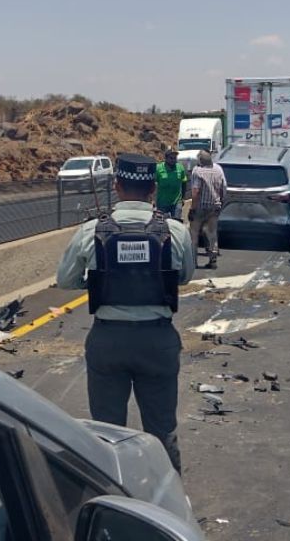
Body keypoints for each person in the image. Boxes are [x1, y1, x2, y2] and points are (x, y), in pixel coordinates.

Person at [56, 153, 195, 473]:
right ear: (154, 189)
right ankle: (169, 502)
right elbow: (185, 277)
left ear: (117, 187)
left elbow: (65, 280)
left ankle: (112, 497)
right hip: (157, 340)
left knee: (106, 434)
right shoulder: (176, 231)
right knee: (162, 431)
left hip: (108, 339)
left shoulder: (91, 230)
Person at [187, 149, 227, 269]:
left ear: (200, 160)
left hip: (200, 207)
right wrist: (221, 202)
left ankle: (193, 261)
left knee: (194, 234)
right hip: (214, 207)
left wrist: (192, 209)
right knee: (212, 233)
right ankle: (213, 259)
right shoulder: (218, 169)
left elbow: (195, 191)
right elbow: (223, 188)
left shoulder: (197, 171)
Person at [154, 148, 188, 221]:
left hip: (176, 201)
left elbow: (184, 182)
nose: (173, 160)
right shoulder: (158, 168)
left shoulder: (180, 168)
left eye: (175, 158)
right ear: (166, 158)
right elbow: (153, 184)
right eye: (171, 158)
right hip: (162, 202)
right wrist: (153, 199)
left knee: (176, 222)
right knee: (160, 223)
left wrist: (183, 198)